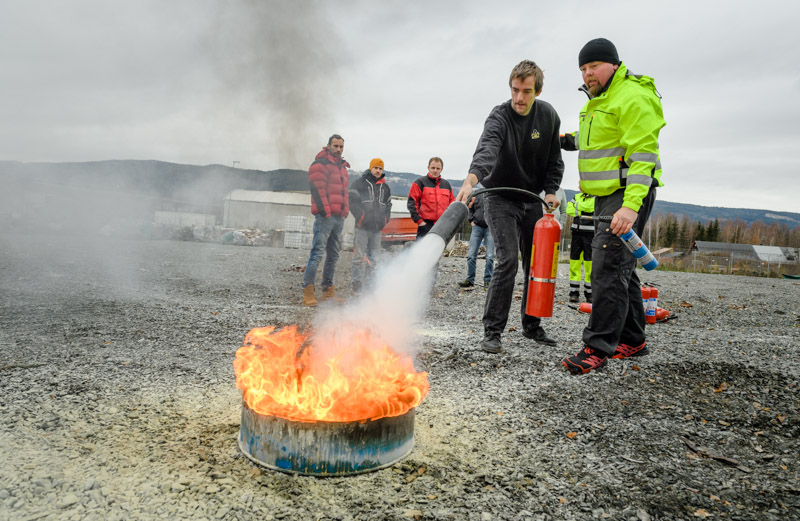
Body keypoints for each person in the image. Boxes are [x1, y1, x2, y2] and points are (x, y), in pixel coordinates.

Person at [560, 38, 666, 374]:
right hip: (607, 196)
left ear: (613, 64)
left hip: (627, 195)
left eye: (592, 67)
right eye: (582, 69)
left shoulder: (633, 95)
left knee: (606, 268)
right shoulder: (599, 100)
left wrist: (631, 207)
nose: (587, 74)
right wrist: (568, 141)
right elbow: (601, 139)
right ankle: (633, 339)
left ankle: (597, 347)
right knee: (622, 269)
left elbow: (643, 156)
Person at [455, 59, 564, 354]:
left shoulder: (549, 116)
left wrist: (551, 190)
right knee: (507, 261)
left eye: (526, 91)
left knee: (536, 263)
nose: (519, 98)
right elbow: (487, 149)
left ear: (537, 92)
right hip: (499, 196)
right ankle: (492, 332)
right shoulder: (500, 116)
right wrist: (471, 180)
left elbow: (555, 159)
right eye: (515, 90)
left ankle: (531, 325)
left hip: (532, 200)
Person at [302, 134, 350, 307]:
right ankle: (308, 292)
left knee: (333, 255)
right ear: (328, 146)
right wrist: (326, 212)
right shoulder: (320, 164)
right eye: (335, 146)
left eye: (341, 147)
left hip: (339, 217)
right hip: (326, 217)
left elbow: (344, 192)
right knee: (317, 253)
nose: (338, 149)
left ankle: (328, 292)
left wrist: (344, 211)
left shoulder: (343, 167)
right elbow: (317, 188)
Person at [349, 158, 392, 293]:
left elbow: (388, 206)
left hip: (376, 229)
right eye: (376, 168)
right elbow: (352, 202)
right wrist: (361, 218)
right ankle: (356, 283)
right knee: (358, 256)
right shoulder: (359, 183)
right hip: (362, 227)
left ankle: (369, 285)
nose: (378, 170)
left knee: (375, 258)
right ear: (371, 168)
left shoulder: (385, 188)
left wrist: (384, 220)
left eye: (380, 168)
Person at [407, 157, 454, 239]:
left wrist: (448, 223)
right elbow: (412, 203)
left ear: (441, 169)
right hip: (425, 226)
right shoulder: (420, 183)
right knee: (421, 251)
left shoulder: (446, 185)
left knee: (438, 251)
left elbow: (452, 206)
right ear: (428, 168)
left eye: (438, 168)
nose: (435, 170)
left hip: (441, 227)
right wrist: (420, 221)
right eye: (433, 168)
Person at [458, 186, 494, 288]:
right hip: (477, 227)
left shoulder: (495, 193)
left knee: (490, 256)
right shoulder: (476, 193)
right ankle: (470, 280)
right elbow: (470, 208)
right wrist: (471, 220)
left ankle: (488, 281)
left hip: (490, 228)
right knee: (471, 255)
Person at [564, 190, 596, 303]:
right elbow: (569, 209)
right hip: (576, 234)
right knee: (574, 263)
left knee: (589, 265)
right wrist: (582, 210)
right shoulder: (576, 196)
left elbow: (591, 208)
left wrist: (577, 207)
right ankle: (574, 293)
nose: (580, 185)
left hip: (590, 236)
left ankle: (589, 293)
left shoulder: (596, 196)